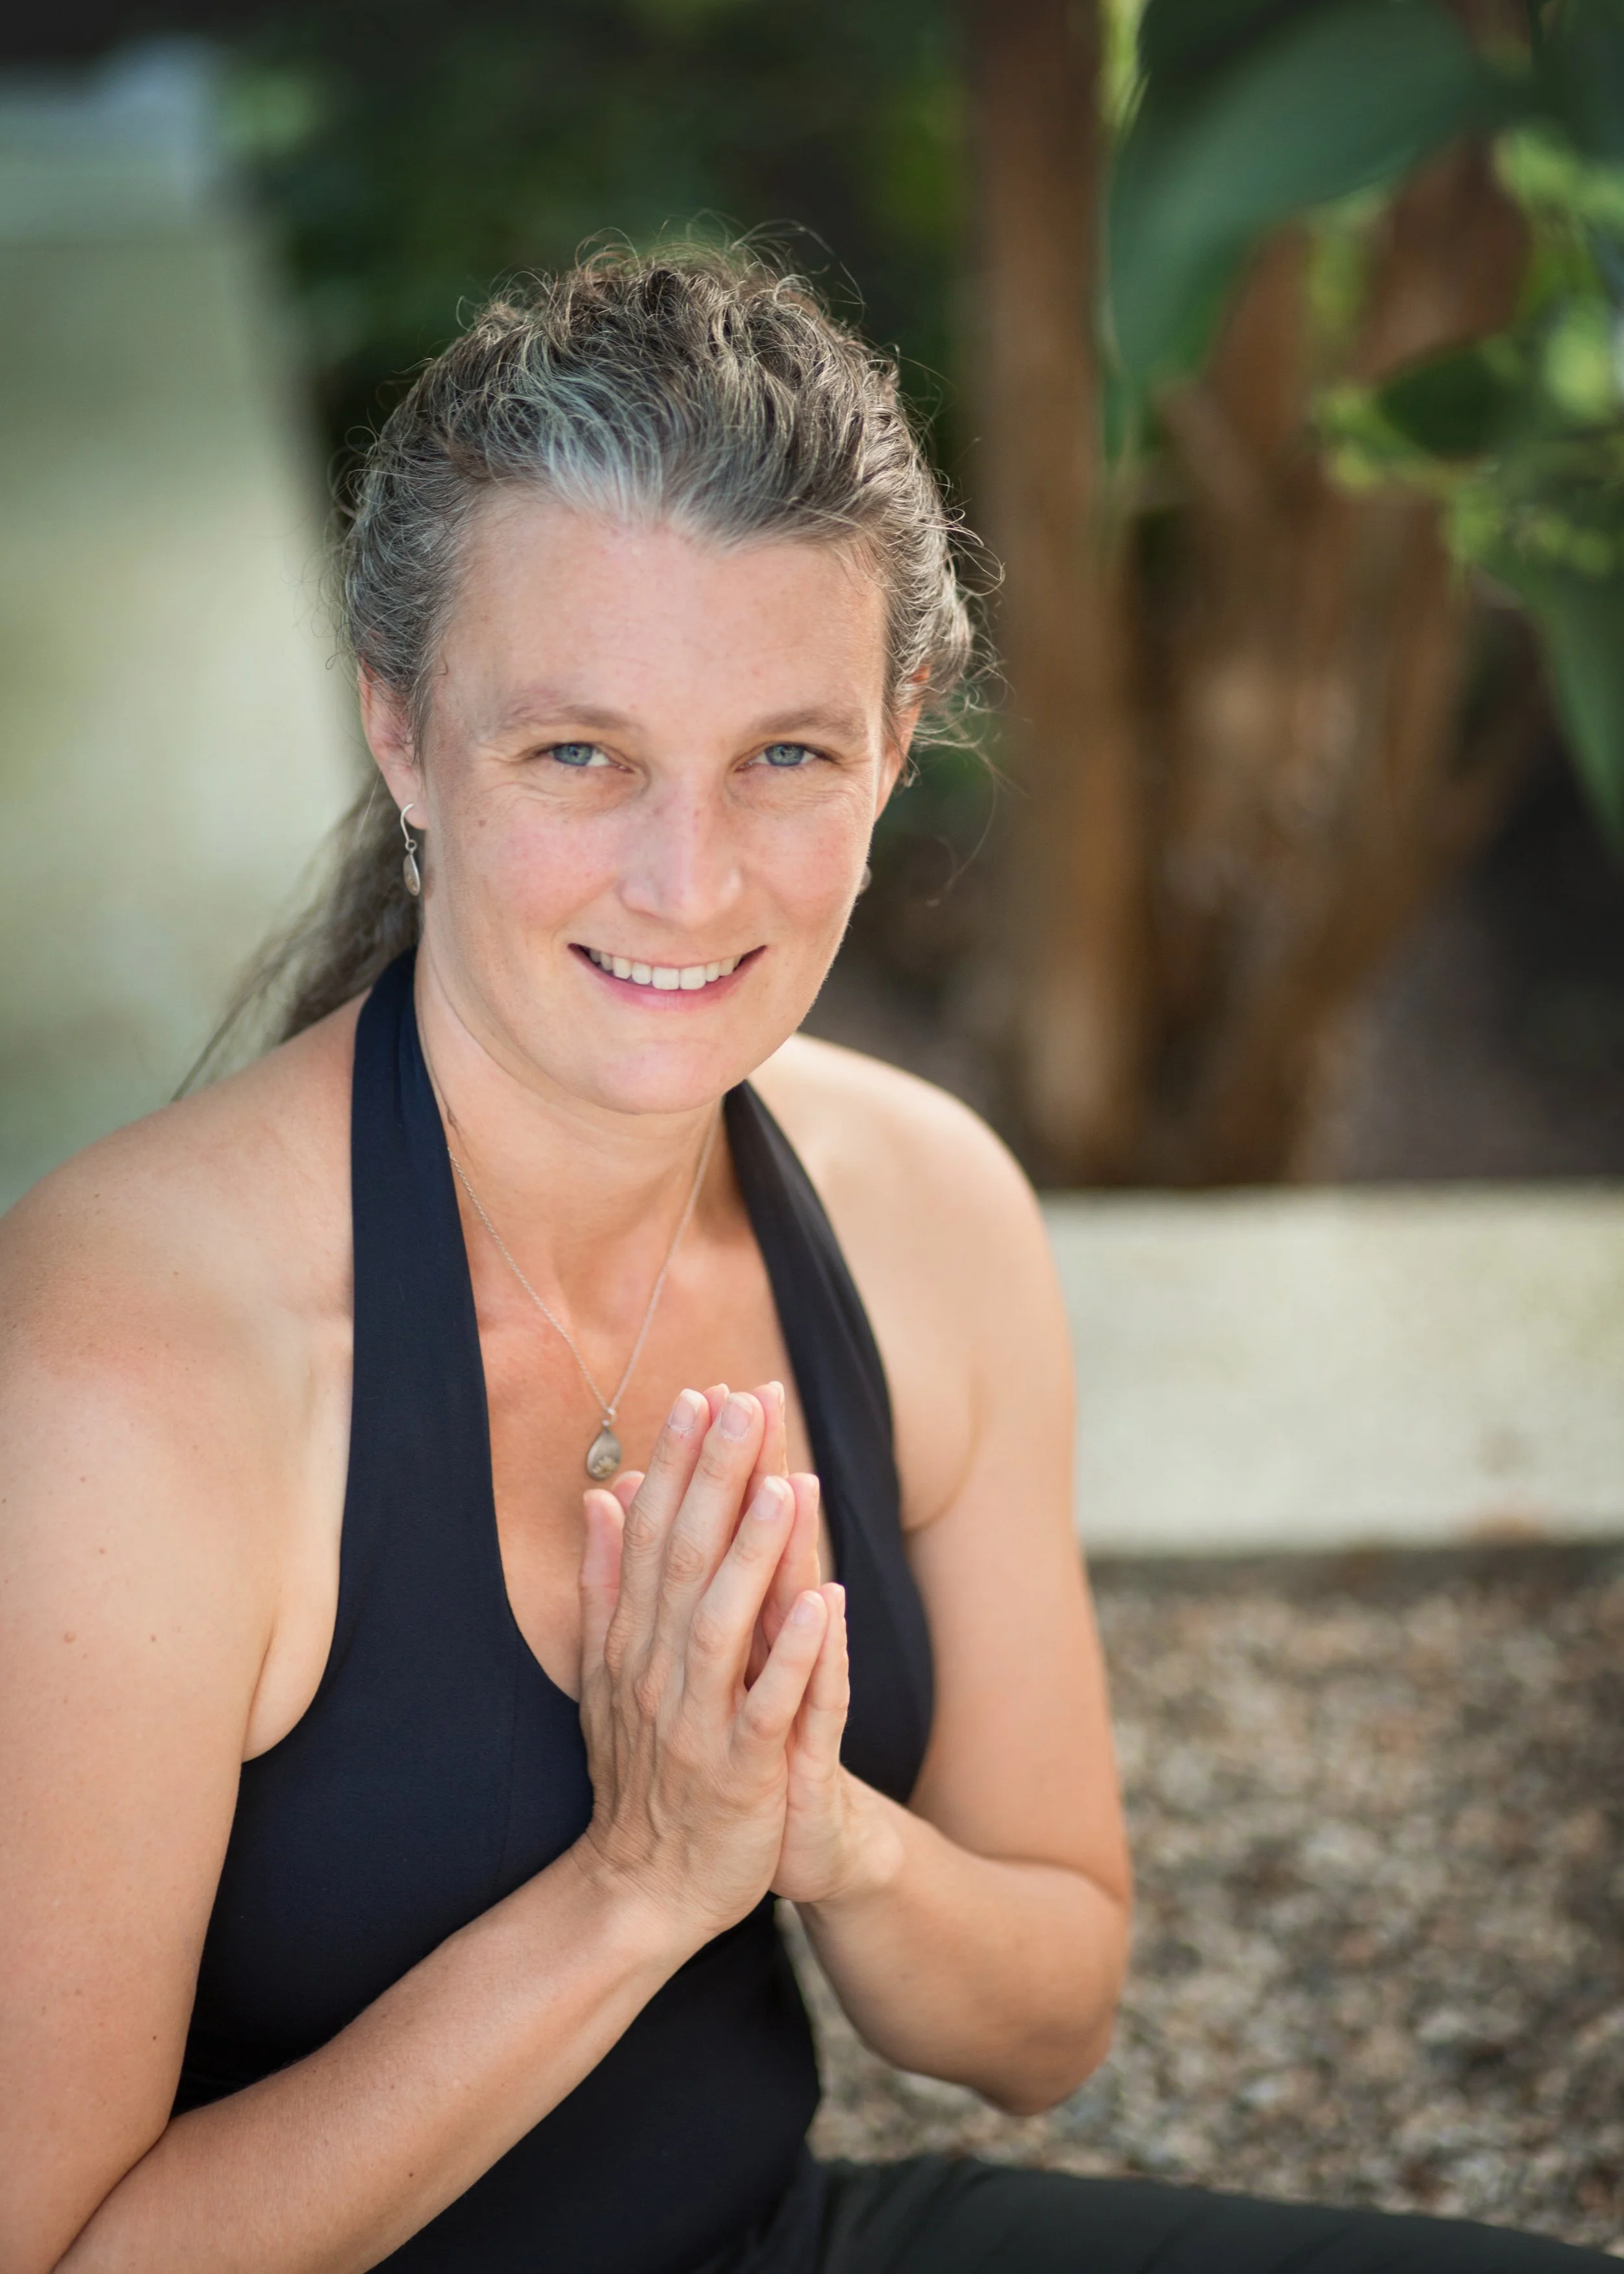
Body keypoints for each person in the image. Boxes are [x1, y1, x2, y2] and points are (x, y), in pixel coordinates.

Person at [0, 249, 1608, 2274]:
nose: (692, 882)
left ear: (901, 727)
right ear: (401, 737)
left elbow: (1045, 2013)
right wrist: (634, 1887)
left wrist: (816, 1828)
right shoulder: (128, 1365)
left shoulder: (923, 1211)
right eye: (577, 754)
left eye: (786, 753)